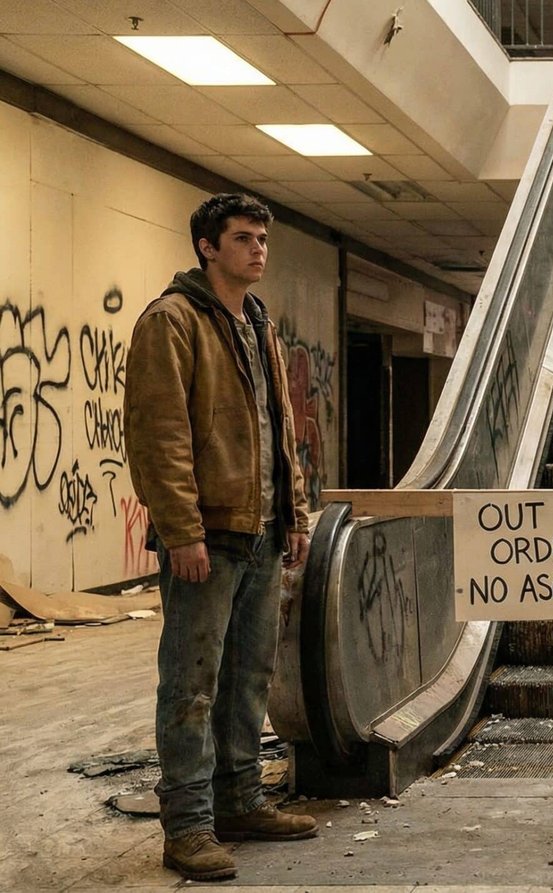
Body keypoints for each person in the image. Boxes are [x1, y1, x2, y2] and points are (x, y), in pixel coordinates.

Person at [126, 193, 318, 882]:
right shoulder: (172, 321)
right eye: (244, 238)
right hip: (206, 534)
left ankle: (239, 800)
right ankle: (188, 826)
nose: (259, 249)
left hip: (261, 531)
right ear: (207, 246)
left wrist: (293, 514)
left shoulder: (257, 322)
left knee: (249, 678)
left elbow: (280, 428)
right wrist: (180, 530)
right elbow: (159, 434)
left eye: (263, 238)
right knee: (192, 683)